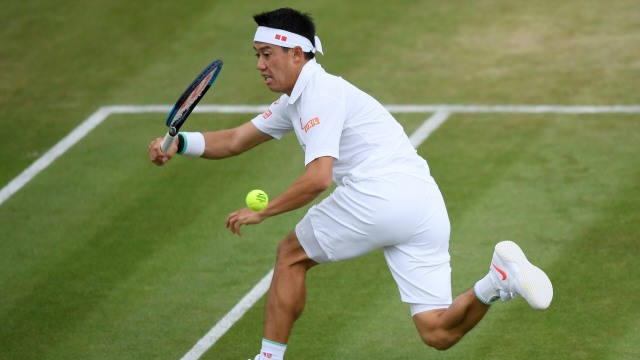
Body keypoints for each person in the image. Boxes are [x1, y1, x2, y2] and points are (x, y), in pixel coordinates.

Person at [148, 7, 553, 360]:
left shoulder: (319, 94)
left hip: (378, 194)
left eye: (266, 54)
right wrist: (179, 143)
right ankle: (496, 281)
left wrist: (265, 212)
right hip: (423, 202)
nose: (259, 64)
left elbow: (319, 178)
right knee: (437, 332)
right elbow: (236, 140)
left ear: (295, 53)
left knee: (290, 255)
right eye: (257, 55)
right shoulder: (298, 98)